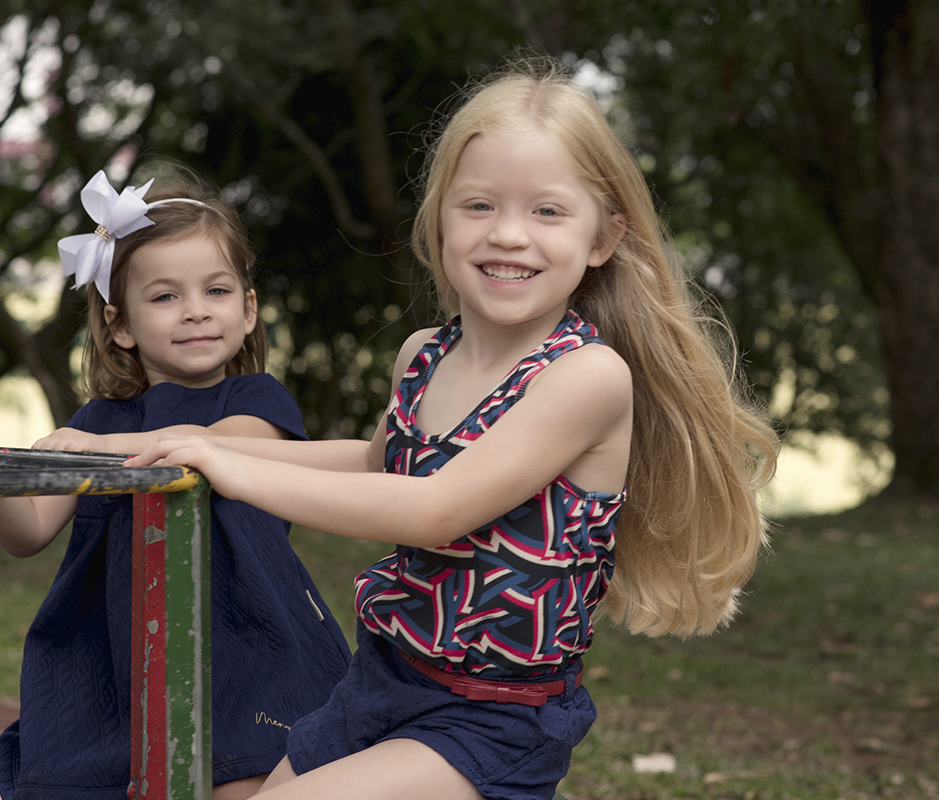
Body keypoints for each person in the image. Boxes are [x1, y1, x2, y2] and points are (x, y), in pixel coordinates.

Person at [129, 58, 780, 800]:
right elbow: (374, 465)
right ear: (438, 219)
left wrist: (236, 474)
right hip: (378, 682)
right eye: (478, 206)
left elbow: (436, 508)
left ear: (603, 238)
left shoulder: (586, 377)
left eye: (547, 211)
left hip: (492, 720)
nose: (509, 235)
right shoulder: (424, 356)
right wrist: (153, 446)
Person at [0, 168, 351, 800]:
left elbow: (218, 448)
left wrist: (97, 452)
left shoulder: (255, 403)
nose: (195, 312)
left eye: (216, 290)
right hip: (118, 657)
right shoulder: (100, 420)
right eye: (164, 297)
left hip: (250, 649)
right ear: (120, 324)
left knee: (243, 779)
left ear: (248, 308)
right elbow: (28, 532)